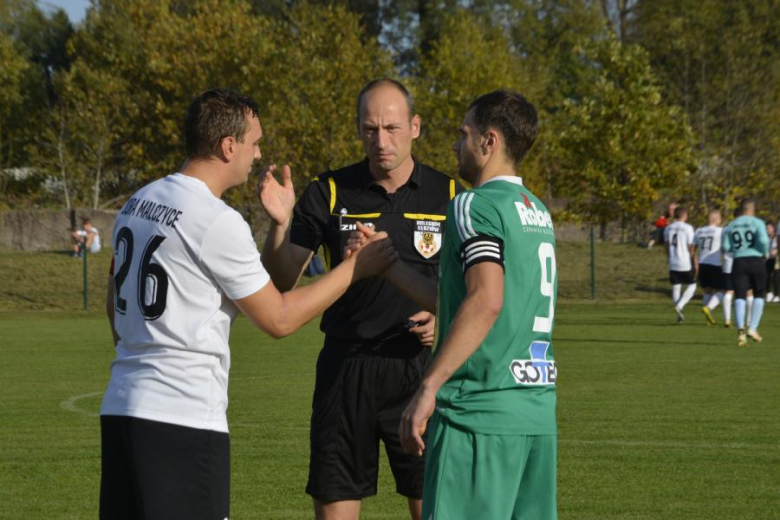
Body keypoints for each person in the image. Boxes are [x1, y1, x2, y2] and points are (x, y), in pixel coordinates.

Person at [99, 89, 397, 520]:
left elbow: (113, 305)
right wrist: (355, 269)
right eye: (254, 142)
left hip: (121, 408)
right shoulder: (215, 219)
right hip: (182, 420)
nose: (258, 154)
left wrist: (279, 227)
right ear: (228, 146)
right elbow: (278, 319)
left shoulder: (137, 202)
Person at [259, 78, 460, 520]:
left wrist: (439, 315)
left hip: (421, 370)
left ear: (416, 127)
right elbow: (280, 278)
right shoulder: (328, 191)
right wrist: (278, 225)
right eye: (370, 129)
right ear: (358, 130)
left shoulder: (450, 196)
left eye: (392, 128)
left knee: (439, 510)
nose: (381, 141)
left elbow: (473, 290)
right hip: (346, 367)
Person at [351, 90, 557, 519]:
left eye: (464, 134)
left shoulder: (472, 204)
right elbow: (463, 300)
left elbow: (486, 299)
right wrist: (389, 266)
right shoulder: (535, 210)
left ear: (489, 141)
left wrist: (428, 386)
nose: (455, 145)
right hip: (535, 412)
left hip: (478, 413)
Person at [722, 199, 770, 346]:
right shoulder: (757, 222)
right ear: (752, 209)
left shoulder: (731, 224)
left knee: (740, 295)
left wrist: (738, 249)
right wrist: (765, 252)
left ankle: (741, 330)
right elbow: (763, 240)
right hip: (756, 260)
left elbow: (725, 246)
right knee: (759, 293)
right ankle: (753, 328)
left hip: (739, 262)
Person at [664, 207, 697, 323]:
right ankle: (680, 306)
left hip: (673, 261)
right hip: (684, 262)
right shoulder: (688, 228)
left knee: (676, 287)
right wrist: (694, 260)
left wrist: (669, 257)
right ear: (684, 216)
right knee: (692, 286)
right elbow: (691, 247)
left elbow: (667, 246)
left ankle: (679, 314)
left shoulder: (668, 228)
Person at [694, 210, 726, 325]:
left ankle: (708, 319)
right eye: (720, 218)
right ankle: (709, 308)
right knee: (722, 290)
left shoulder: (698, 231)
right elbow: (724, 248)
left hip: (702, 264)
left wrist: (695, 262)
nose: (721, 220)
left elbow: (693, 248)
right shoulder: (720, 231)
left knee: (707, 291)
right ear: (715, 219)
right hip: (715, 264)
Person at [765, 222, 777, 302]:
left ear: (773, 228)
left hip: (776, 259)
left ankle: (777, 294)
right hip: (769, 259)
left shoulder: (776, 238)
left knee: (776, 277)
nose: (767, 230)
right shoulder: (767, 238)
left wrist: (775, 251)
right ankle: (769, 293)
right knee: (766, 275)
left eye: (769, 228)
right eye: (766, 228)